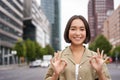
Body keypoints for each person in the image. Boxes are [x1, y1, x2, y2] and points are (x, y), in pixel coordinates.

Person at [45, 15, 111, 80]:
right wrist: (55, 74)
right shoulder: (58, 57)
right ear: (68, 32)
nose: (77, 33)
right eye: (73, 29)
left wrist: (100, 72)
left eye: (82, 29)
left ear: (86, 33)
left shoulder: (96, 58)